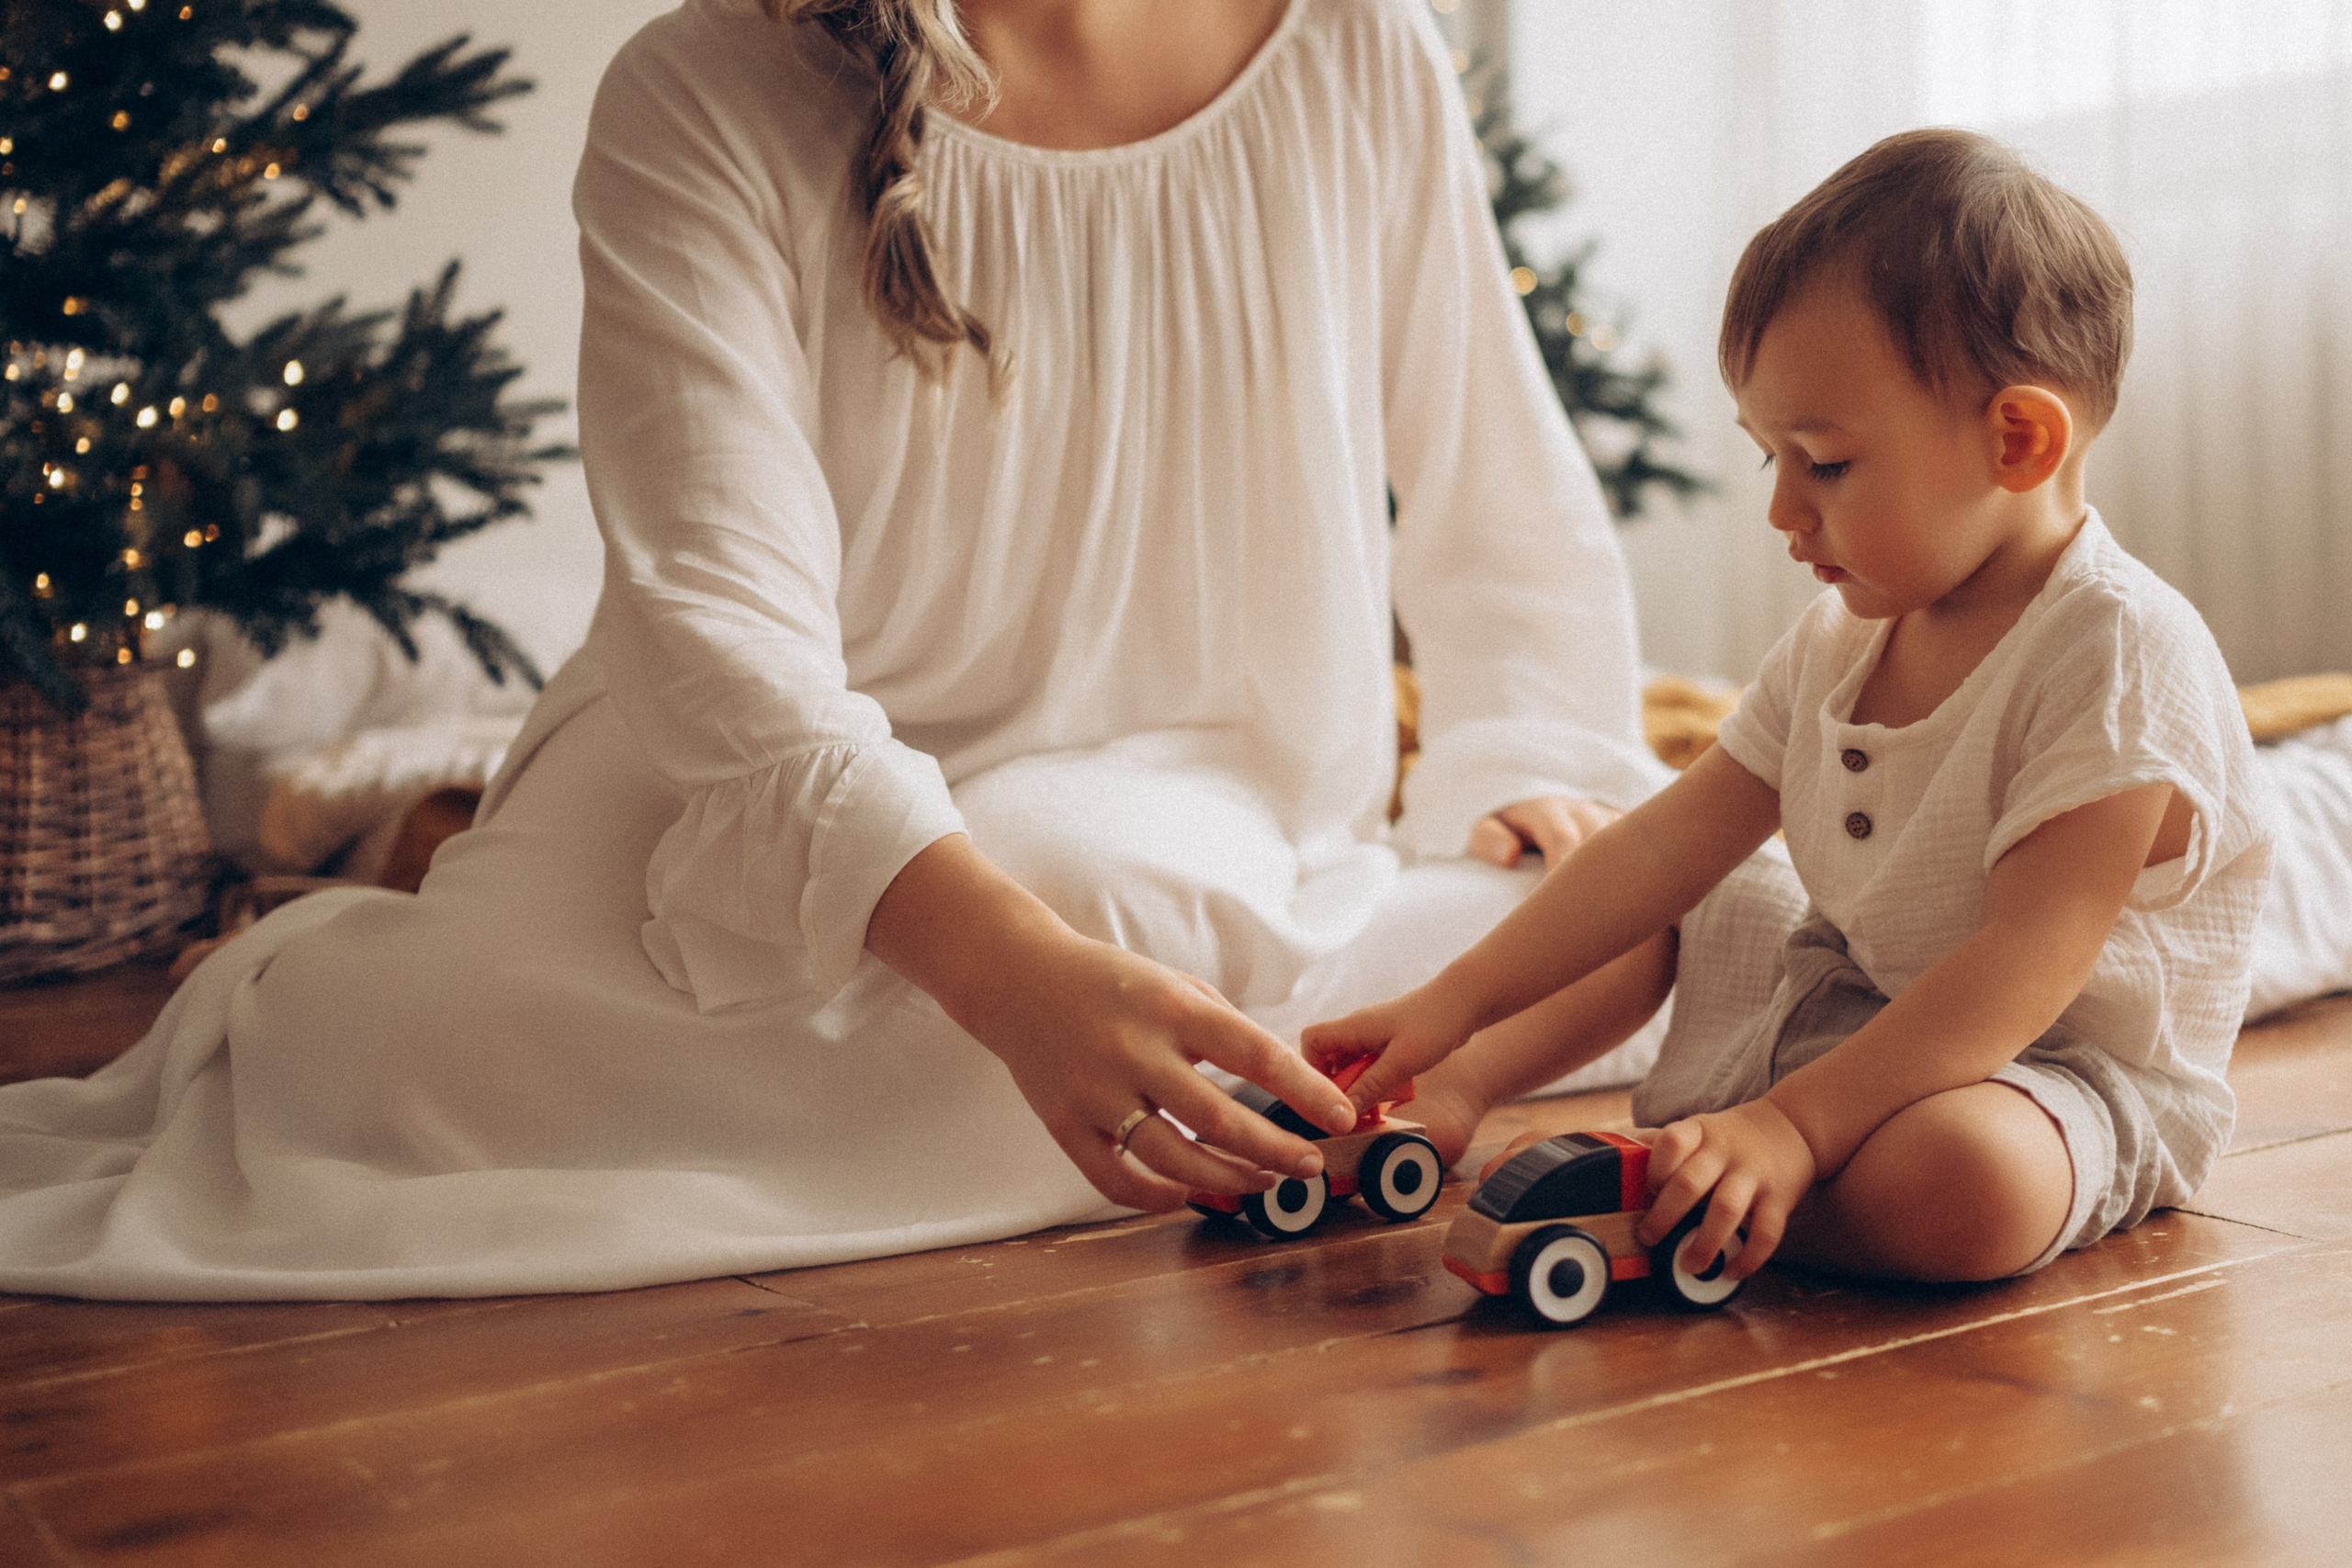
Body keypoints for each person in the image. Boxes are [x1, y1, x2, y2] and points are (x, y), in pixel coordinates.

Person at [0, 0, 1675, 1300]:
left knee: (1108, 890)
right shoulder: (700, 89)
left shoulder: (1353, 49)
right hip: (724, 779)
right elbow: (717, 629)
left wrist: (1529, 753)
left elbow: (1496, 480)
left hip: (1165, 781)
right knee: (412, 1053)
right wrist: (1001, 978)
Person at [1306, 128, 2274, 1284]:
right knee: (1666, 890)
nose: (1779, 510)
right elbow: (1668, 843)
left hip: (2047, 1072)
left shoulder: (2117, 652)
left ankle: (1679, 1206)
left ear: (2015, 439)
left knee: (1966, 1186)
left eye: (1822, 463)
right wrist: (1447, 1009)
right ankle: (1464, 1103)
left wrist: (1792, 1125)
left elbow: (2025, 963)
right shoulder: (1848, 629)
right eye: (1768, 454)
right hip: (1855, 997)